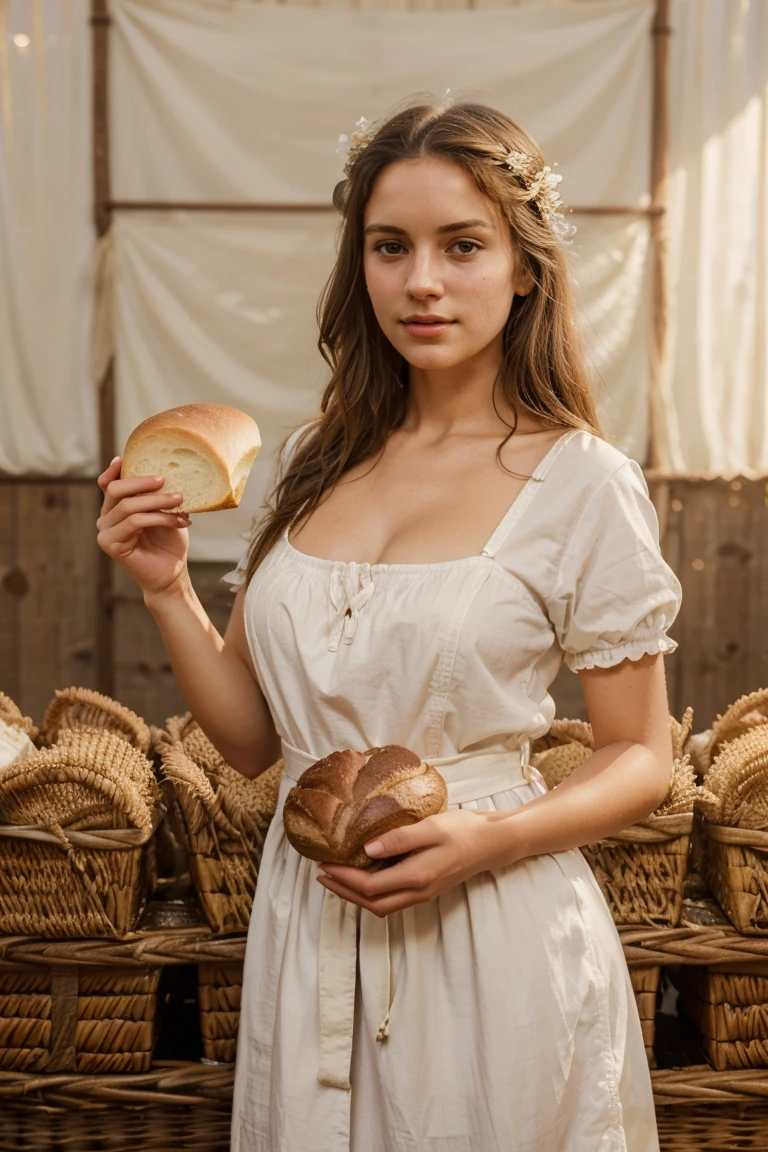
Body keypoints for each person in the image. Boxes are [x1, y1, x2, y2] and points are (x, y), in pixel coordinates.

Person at [96, 99, 681, 1152]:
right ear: (357, 264)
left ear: (524, 265)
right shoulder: (315, 459)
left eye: (463, 245)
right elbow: (254, 743)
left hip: (490, 922)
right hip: (309, 913)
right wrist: (164, 585)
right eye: (389, 246)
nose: (421, 281)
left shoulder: (581, 483)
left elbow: (643, 753)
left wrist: (483, 842)